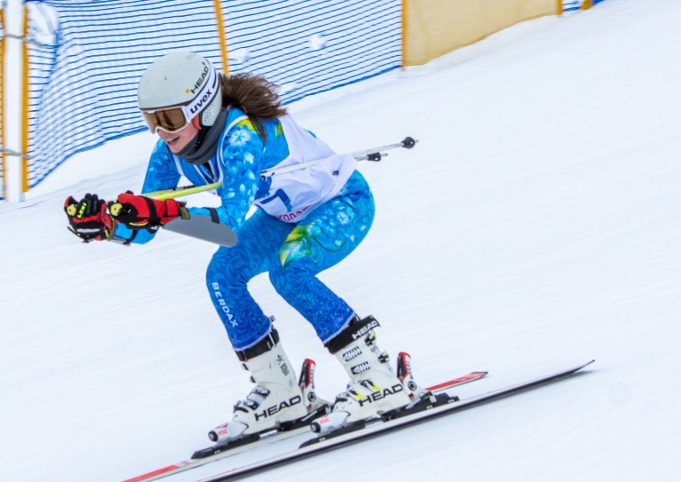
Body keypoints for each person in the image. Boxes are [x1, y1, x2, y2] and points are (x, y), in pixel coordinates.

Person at [64, 51, 427, 443]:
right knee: (223, 274)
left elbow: (227, 226)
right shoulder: (169, 151)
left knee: (289, 271)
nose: (160, 131)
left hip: (341, 203)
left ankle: (377, 378)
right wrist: (105, 224)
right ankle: (282, 391)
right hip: (284, 216)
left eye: (169, 118)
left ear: (202, 109)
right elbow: (147, 225)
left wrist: (163, 210)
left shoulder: (240, 138)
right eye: (151, 119)